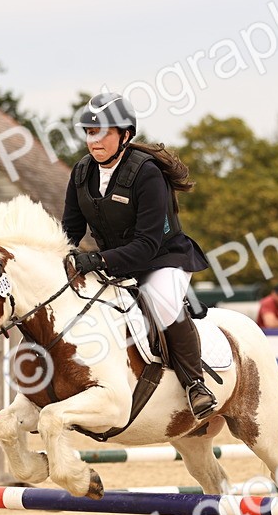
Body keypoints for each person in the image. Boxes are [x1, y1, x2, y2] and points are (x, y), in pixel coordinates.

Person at [61, 92, 217, 420]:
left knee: (163, 302)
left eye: (103, 132)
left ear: (125, 135)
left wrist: (98, 260)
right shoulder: (81, 173)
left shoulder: (147, 173)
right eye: (90, 132)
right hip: (115, 262)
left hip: (162, 259)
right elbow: (70, 231)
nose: (94, 140)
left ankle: (195, 384)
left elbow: (147, 244)